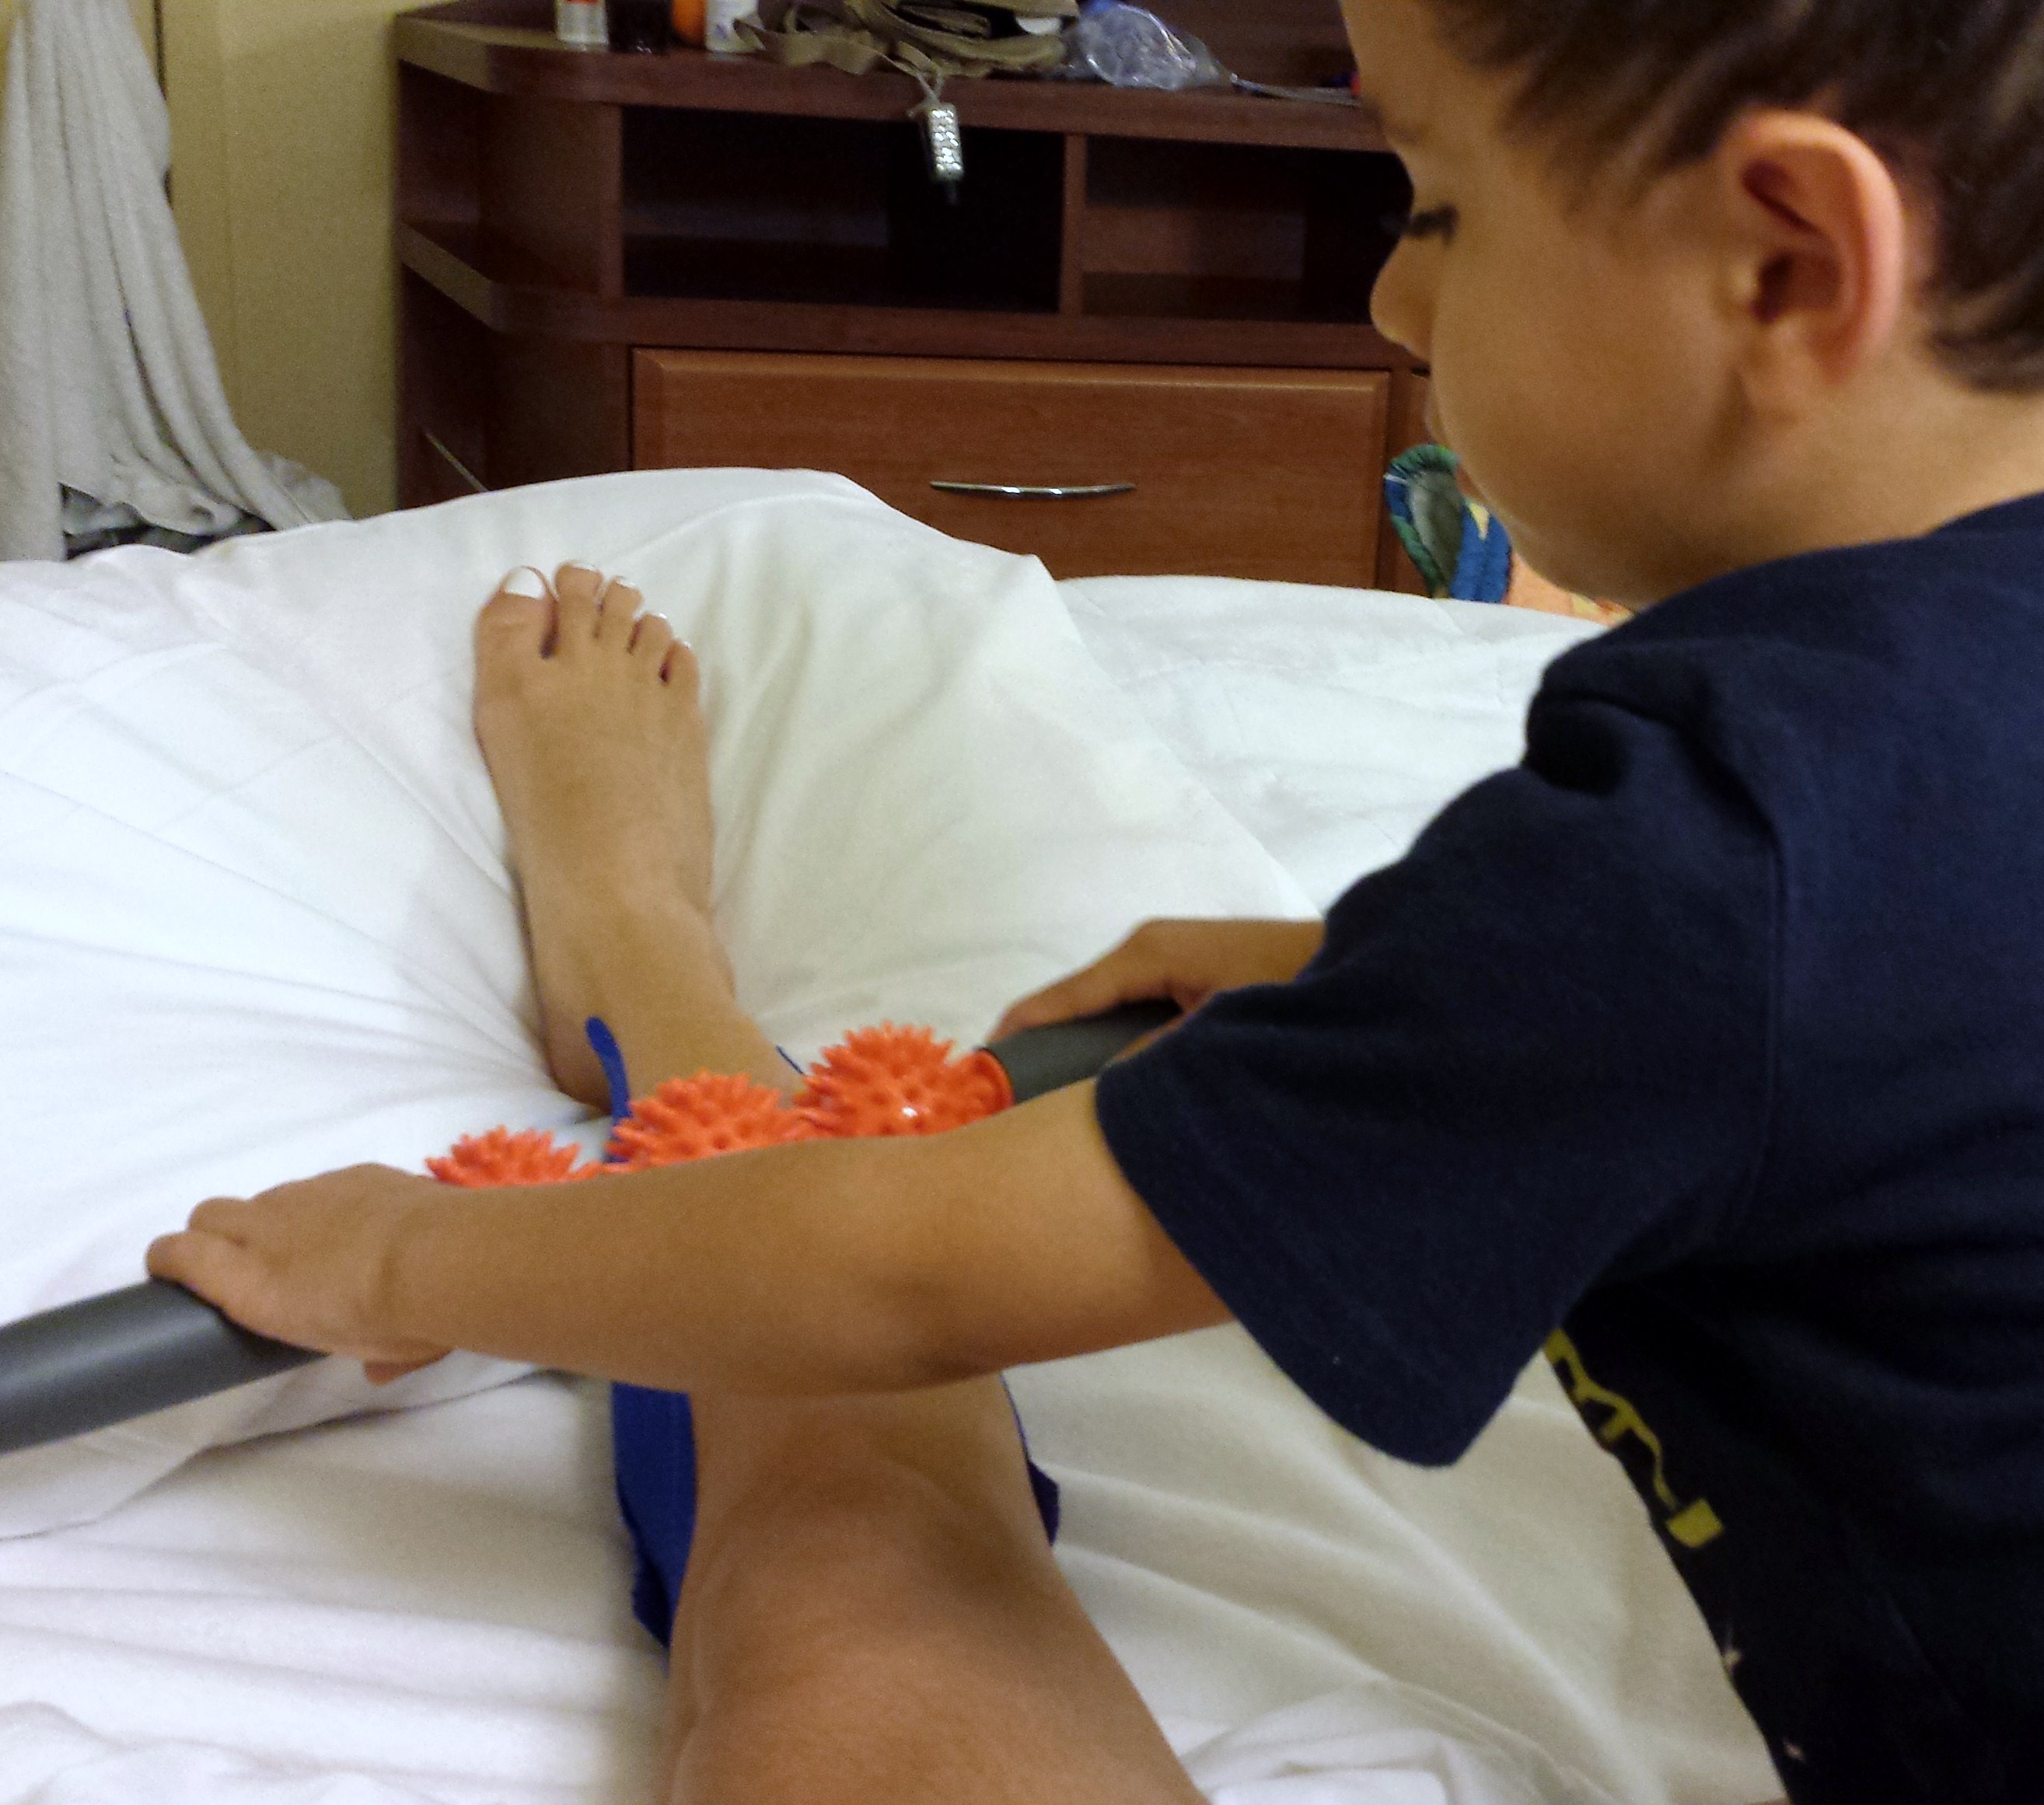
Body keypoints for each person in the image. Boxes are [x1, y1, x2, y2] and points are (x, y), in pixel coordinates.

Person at [146, 0, 2044, 1799]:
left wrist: (398, 1262)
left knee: (861, 1571)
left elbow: (915, 1272)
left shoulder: (1717, 846)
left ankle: (652, 970)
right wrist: (1378, 986)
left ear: (1784, 262)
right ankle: (647, 965)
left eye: (1437, 208)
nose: (1390, 300)